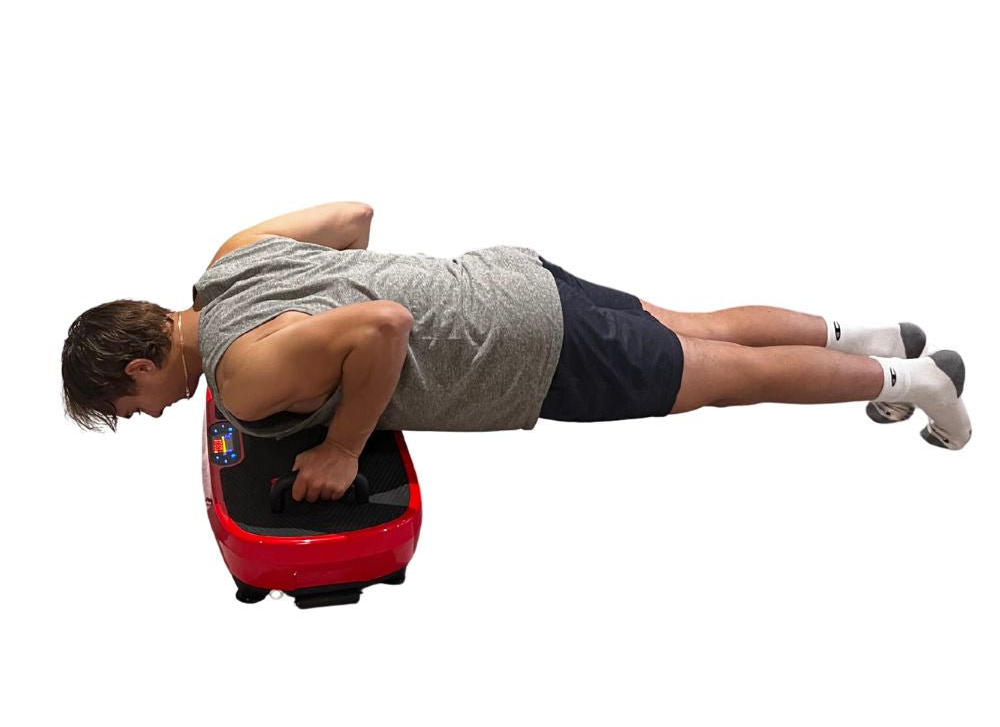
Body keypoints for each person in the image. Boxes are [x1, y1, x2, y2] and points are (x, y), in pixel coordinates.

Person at [61, 201, 972, 503]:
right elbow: (352, 218)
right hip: (508, 275)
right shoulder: (225, 264)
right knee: (700, 327)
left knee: (729, 380)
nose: (148, 417)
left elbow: (382, 327)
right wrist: (331, 302)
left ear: (138, 366)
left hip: (521, 347)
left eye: (129, 405)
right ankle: (874, 337)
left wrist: (342, 448)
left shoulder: (241, 376)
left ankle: (915, 381)